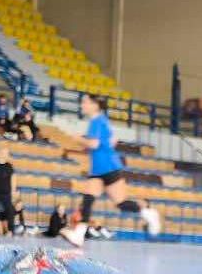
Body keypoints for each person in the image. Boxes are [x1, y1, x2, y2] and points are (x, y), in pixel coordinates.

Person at [59, 92, 162, 247]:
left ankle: (148, 213)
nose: (82, 105)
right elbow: (111, 141)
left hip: (107, 167)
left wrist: (77, 138)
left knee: (119, 203)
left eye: (85, 102)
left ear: (95, 105)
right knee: (89, 200)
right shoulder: (102, 121)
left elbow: (94, 144)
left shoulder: (97, 121)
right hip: (100, 168)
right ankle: (79, 234)